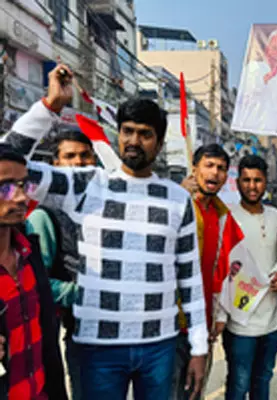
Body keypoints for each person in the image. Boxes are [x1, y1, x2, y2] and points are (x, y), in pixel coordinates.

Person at [2, 64, 208, 400]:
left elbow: (190, 278)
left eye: (144, 134)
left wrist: (198, 347)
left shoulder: (178, 199)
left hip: (160, 346)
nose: (133, 141)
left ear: (158, 142)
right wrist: (50, 106)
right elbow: (7, 159)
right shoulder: (88, 184)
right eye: (127, 131)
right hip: (96, 347)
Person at [24, 129, 97, 400]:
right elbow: (37, 280)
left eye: (85, 156)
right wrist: (84, 293)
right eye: (70, 156)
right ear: (55, 164)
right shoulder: (44, 214)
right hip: (65, 327)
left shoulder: (103, 206)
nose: (78, 163)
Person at [213, 155, 277, 400]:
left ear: (266, 182)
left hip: (272, 319)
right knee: (238, 382)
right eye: (246, 180)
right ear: (238, 183)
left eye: (257, 180)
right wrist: (221, 315)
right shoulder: (227, 218)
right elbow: (221, 270)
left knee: (263, 379)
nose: (252, 186)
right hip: (240, 321)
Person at [0, 144, 68, 400]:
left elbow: (48, 346)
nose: (19, 197)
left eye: (23, 185)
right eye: (5, 187)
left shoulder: (29, 255)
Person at [173, 143, 232, 399]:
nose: (215, 173)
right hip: (172, 324)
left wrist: (220, 313)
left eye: (221, 168)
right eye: (209, 165)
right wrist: (177, 196)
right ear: (194, 169)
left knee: (195, 391)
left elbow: (225, 269)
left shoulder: (221, 215)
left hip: (203, 322)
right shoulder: (177, 204)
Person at [233, 30, 277, 133]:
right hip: (248, 130)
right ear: (267, 50)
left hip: (275, 133)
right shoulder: (253, 68)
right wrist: (268, 77)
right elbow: (246, 95)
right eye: (275, 48)